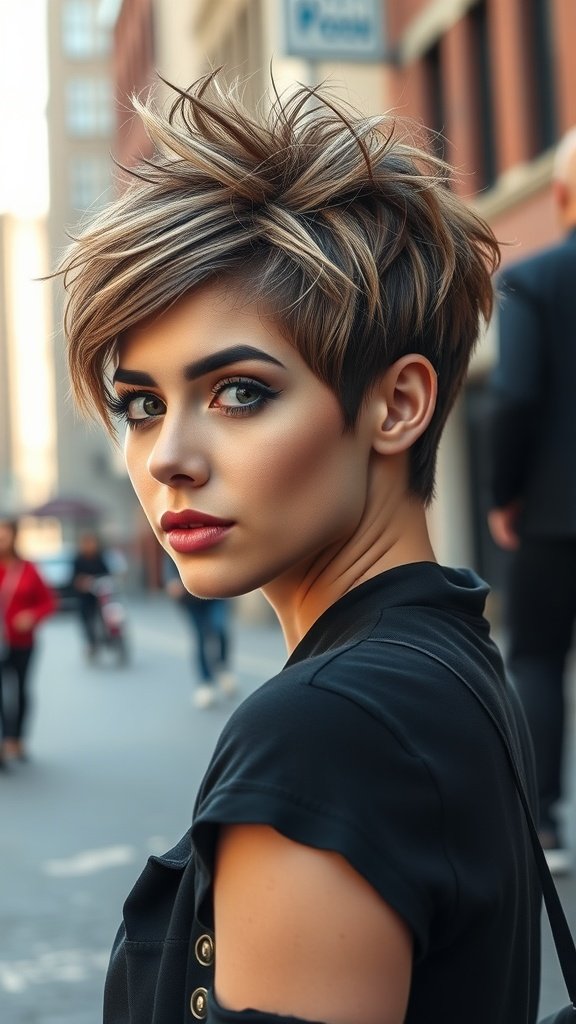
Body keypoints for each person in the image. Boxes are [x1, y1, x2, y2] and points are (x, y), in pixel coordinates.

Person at [59, 75, 542, 1024]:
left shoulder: (327, 728)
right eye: (143, 405)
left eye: (240, 392)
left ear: (396, 404)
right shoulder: (447, 653)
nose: (170, 460)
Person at [488, 127, 576, 875]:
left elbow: (513, 394)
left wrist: (503, 494)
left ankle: (544, 827)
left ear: (559, 196)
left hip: (554, 512)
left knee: (540, 660)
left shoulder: (538, 280)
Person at [0, 517, 56, 764]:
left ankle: (17, 739)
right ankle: (4, 740)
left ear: (13, 536)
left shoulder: (27, 569)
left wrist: (32, 615)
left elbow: (49, 602)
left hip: (22, 642)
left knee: (21, 689)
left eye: (4, 533)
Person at [164, 554, 235, 708]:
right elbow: (170, 562)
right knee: (201, 637)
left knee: (219, 627)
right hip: (191, 600)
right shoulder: (177, 539)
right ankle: (205, 683)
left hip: (216, 593)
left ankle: (222, 667)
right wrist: (172, 582)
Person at [71, 531, 112, 660]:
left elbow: (108, 572)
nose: (90, 546)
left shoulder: (100, 557)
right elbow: (73, 579)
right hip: (86, 596)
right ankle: (91, 642)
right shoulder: (78, 560)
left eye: (92, 543)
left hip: (101, 594)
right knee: (86, 618)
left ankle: (111, 637)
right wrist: (82, 582)